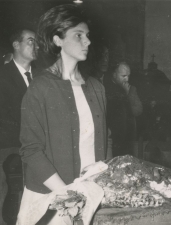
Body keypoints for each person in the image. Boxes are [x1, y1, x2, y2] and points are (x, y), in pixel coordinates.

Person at [17, 4, 111, 224]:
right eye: (78, 35)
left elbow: (106, 138)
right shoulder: (40, 88)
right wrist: (68, 194)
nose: (87, 41)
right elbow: (31, 150)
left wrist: (103, 181)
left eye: (87, 35)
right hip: (51, 197)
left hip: (91, 192)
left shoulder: (96, 88)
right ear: (58, 40)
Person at [0, 28, 37, 225]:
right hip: (8, 147)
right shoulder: (2, 75)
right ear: (16, 45)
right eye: (30, 41)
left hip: (37, 148)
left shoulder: (42, 77)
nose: (36, 46)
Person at [104, 61, 143, 157]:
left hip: (128, 136)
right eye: (123, 76)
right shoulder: (106, 88)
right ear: (114, 75)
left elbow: (138, 110)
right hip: (113, 137)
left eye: (128, 76)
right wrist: (124, 94)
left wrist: (127, 95)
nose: (127, 79)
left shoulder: (131, 89)